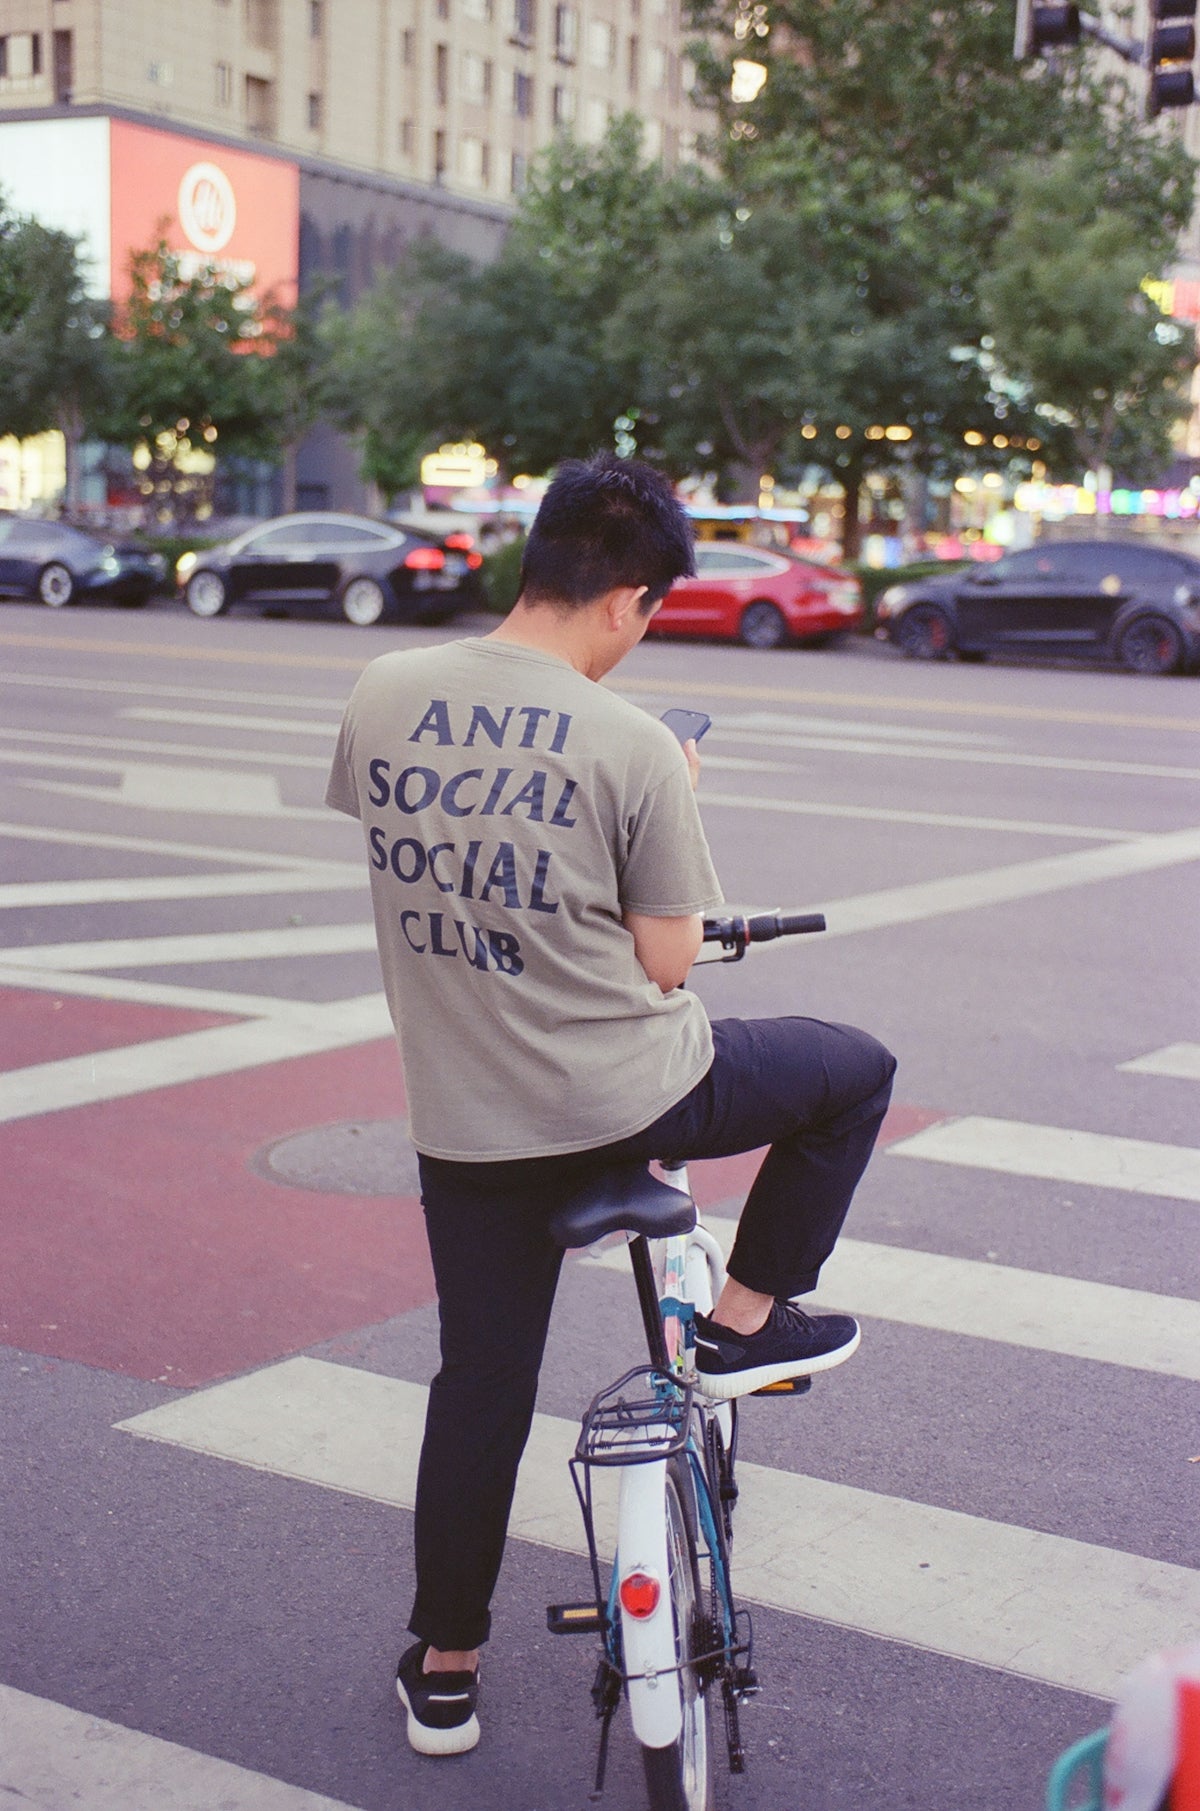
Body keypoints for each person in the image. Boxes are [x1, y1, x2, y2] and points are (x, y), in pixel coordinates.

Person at [325, 452, 896, 1758]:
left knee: (481, 1379)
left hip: (467, 1119)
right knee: (850, 1071)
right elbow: (667, 961)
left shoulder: (382, 690)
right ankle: (742, 1326)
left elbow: (428, 849)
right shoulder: (635, 747)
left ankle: (448, 1671)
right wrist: (671, 794)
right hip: (638, 1097)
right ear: (630, 600)